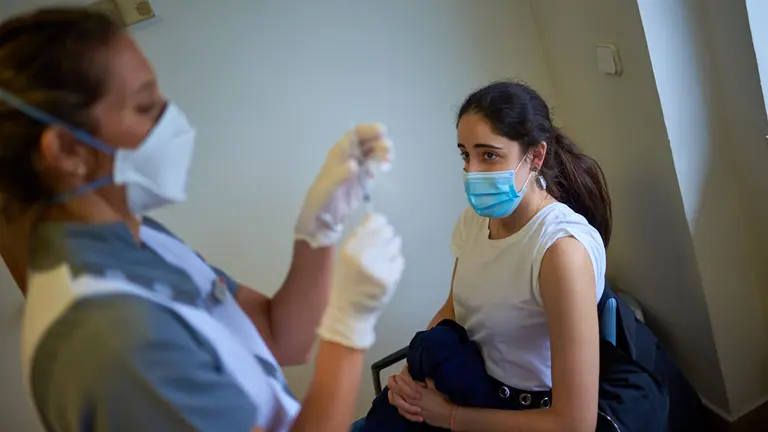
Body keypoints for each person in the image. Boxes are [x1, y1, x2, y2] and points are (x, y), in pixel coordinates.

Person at [0, 7, 405, 432]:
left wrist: (319, 226)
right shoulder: (109, 338)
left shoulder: (140, 239)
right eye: (145, 106)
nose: (172, 119)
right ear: (68, 151)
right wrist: (349, 328)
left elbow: (282, 336)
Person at [386, 81, 611, 432]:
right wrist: (410, 378)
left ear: (535, 157)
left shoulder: (560, 251)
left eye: (488, 155)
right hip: (472, 380)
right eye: (465, 154)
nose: (471, 171)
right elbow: (454, 308)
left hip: (524, 413)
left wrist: (449, 417)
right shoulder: (474, 222)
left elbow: (574, 423)